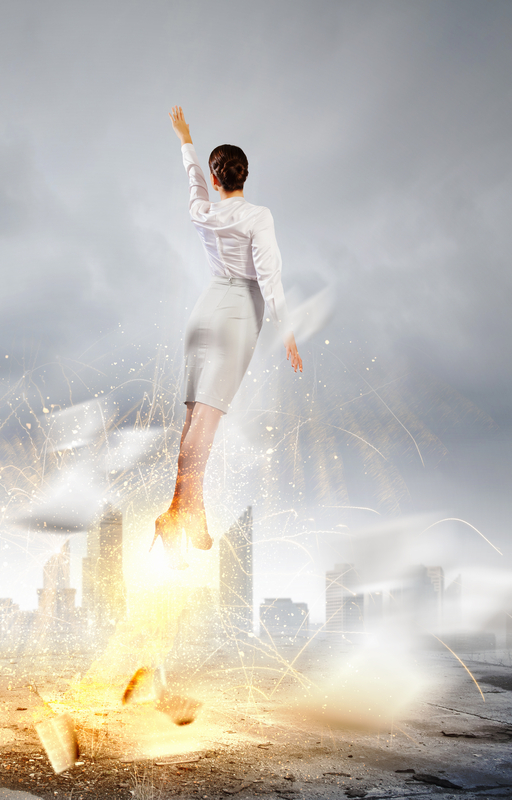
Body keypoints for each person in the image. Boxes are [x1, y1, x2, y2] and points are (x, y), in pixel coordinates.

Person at [153, 106, 303, 569]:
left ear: (219, 181)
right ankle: (184, 510)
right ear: (244, 177)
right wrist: (288, 331)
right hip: (238, 313)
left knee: (193, 416)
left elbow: (194, 183)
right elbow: (269, 276)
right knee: (209, 420)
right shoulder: (258, 217)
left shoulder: (203, 211)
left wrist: (185, 141)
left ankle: (179, 511)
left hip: (205, 310)